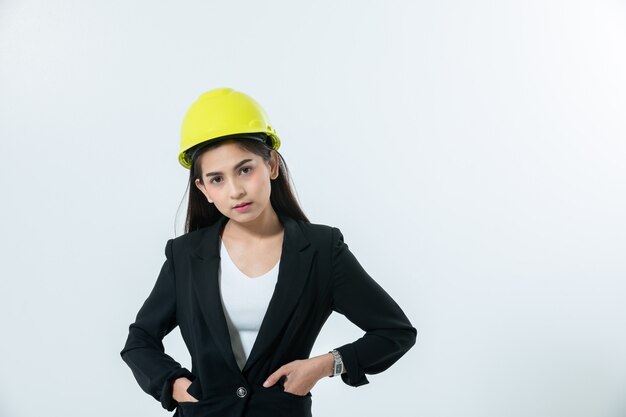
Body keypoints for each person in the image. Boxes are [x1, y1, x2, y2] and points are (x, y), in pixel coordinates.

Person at [120, 87, 417, 417]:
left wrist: (324, 365)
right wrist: (173, 385)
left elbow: (394, 332)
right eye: (217, 179)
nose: (236, 190)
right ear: (203, 189)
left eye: (245, 169)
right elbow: (139, 342)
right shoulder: (185, 255)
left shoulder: (321, 250)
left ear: (272, 165)